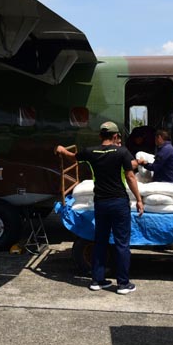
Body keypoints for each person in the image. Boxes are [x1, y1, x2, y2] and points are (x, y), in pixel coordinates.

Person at [55, 121, 143, 295]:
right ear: (116, 136)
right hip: (119, 203)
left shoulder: (91, 152)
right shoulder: (122, 152)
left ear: (100, 136)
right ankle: (123, 284)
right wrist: (139, 199)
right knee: (121, 243)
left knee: (100, 241)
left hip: (101, 203)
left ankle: (97, 280)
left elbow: (72, 157)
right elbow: (131, 177)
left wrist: (61, 150)